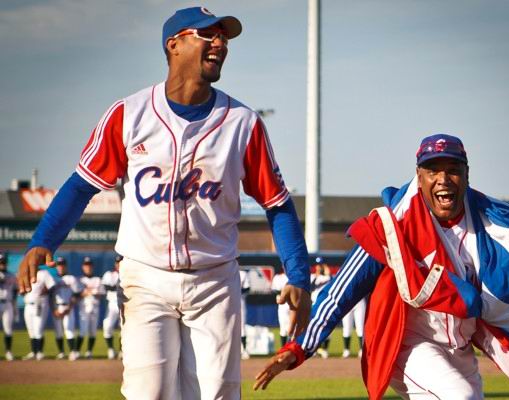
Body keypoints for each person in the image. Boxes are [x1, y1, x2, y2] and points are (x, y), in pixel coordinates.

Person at [17, 5, 311, 399]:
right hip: (146, 277)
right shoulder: (129, 114)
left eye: (224, 37)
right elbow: (80, 186)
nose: (220, 43)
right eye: (208, 34)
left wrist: (297, 276)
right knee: (148, 392)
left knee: (218, 393)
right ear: (175, 44)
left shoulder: (243, 123)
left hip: (214, 280)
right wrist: (43, 241)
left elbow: (278, 204)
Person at [255, 134, 509, 400]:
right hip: (410, 345)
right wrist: (298, 348)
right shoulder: (393, 225)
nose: (443, 179)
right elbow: (342, 290)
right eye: (432, 170)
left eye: (453, 169)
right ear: (419, 176)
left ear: (467, 173)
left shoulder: (488, 223)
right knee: (459, 397)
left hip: (460, 348)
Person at [50, 256, 82, 361]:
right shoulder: (53, 279)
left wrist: (70, 307)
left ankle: (73, 352)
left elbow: (76, 294)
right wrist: (53, 309)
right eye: (59, 265)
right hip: (57, 307)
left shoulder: (71, 278)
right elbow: (50, 296)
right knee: (58, 331)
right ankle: (61, 352)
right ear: (57, 267)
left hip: (68, 307)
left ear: (66, 266)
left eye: (62, 265)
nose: (61, 267)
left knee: (69, 330)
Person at [22, 267, 55, 360]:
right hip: (28, 304)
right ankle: (34, 352)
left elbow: (52, 286)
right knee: (31, 330)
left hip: (40, 303)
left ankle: (40, 352)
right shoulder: (25, 273)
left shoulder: (44, 273)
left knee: (38, 329)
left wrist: (46, 290)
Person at [78, 256, 105, 359]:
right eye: (86, 265)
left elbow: (102, 293)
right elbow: (77, 294)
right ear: (83, 267)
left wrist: (92, 292)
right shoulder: (80, 279)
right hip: (83, 308)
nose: (88, 267)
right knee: (82, 330)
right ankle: (76, 351)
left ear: (92, 267)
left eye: (89, 265)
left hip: (95, 307)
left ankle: (89, 352)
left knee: (93, 331)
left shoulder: (97, 279)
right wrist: (87, 292)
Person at [102, 255, 122, 360]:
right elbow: (106, 286)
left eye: (121, 262)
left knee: (124, 329)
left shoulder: (128, 274)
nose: (119, 264)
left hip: (125, 304)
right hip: (112, 303)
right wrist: (118, 286)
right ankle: (110, 349)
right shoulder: (109, 274)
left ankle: (121, 351)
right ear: (115, 263)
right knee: (107, 325)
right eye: (117, 262)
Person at [310, 257, 331, 358]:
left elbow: (332, 282)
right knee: (313, 327)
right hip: (314, 304)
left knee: (327, 327)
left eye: (321, 265)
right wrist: (317, 274)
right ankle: (314, 349)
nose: (319, 267)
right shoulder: (313, 276)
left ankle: (324, 349)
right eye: (318, 265)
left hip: (325, 304)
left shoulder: (328, 277)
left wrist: (327, 272)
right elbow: (311, 287)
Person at [0, 254, 17, 361]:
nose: (2, 264)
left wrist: (14, 306)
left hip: (8, 304)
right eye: (1, 262)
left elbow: (15, 290)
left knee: (8, 329)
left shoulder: (11, 275)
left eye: (4, 262)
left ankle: (8, 351)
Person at [271, 269, 291, 347]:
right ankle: (284, 348)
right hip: (282, 304)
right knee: (283, 328)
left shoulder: (293, 277)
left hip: (292, 303)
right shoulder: (278, 277)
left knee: (292, 328)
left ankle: (291, 348)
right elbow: (273, 289)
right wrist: (284, 292)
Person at [239, 268, 251, 360]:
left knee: (242, 326)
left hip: (240, 302)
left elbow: (247, 288)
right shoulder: (225, 272)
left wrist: (236, 291)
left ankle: (244, 350)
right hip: (226, 303)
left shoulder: (242, 273)